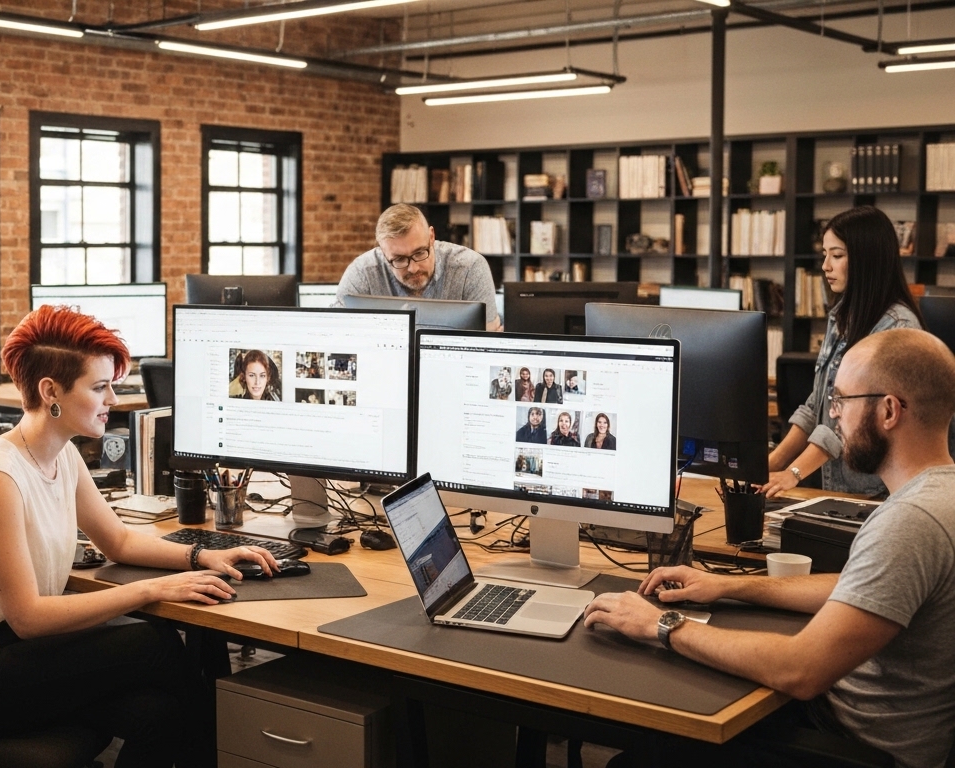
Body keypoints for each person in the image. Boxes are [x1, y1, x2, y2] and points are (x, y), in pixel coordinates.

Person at [0, 305, 277, 768]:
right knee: (153, 643)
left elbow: (118, 541)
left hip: (16, 654)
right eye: (100, 387)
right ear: (51, 392)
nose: (114, 400)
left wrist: (200, 556)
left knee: (161, 714)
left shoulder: (60, 455)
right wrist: (153, 589)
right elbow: (27, 617)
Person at [584, 329, 955, 768]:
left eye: (841, 401)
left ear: (889, 410)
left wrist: (662, 624)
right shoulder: (937, 496)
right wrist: (724, 586)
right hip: (850, 726)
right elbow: (857, 587)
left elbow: (799, 670)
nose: (833, 418)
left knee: (639, 758)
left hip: (850, 747)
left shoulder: (909, 522)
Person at [764, 206, 923, 498]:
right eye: (825, 254)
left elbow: (857, 418)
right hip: (832, 485)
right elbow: (817, 405)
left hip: (872, 491)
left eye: (836, 255)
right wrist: (773, 462)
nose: (825, 266)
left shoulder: (898, 327)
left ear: (867, 260)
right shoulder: (842, 316)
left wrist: (794, 472)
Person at [333, 204, 503, 330]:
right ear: (382, 251)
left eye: (420, 253)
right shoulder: (363, 272)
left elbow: (488, 340)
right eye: (399, 259)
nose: (413, 268)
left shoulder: (470, 268)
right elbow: (333, 331)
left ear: (431, 237)